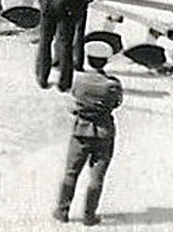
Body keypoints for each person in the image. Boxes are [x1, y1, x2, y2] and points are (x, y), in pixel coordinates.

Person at [54, 41, 123, 226]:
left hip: (81, 131)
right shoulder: (113, 85)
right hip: (104, 133)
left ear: (89, 59)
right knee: (97, 177)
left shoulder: (79, 80)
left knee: (71, 172)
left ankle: (62, 211)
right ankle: (89, 215)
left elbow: (74, 98)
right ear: (106, 61)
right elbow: (117, 103)